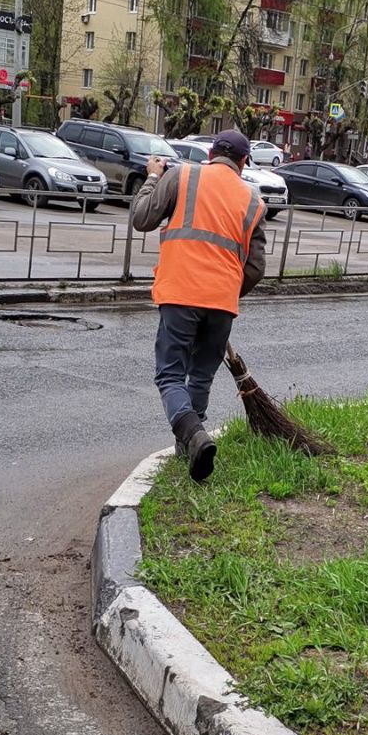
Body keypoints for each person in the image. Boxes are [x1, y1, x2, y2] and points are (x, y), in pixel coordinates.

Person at [131, 127, 267, 481]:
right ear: (243, 162)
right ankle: (190, 447)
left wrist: (151, 177)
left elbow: (142, 218)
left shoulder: (182, 175)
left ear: (210, 155)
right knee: (201, 376)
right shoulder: (253, 200)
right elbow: (255, 267)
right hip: (221, 302)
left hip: (181, 293)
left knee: (171, 374)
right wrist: (225, 292)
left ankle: (193, 436)